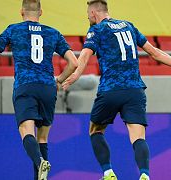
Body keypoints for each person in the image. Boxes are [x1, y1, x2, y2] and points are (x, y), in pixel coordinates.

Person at [0, 0, 78, 179]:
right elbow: (74, 63)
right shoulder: (53, 32)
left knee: (26, 132)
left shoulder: (13, 29)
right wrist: (59, 80)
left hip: (25, 86)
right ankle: (41, 171)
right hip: (47, 87)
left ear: (21, 12)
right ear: (41, 12)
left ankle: (40, 162)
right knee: (43, 139)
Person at [62, 0, 171, 180]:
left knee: (95, 130)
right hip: (134, 90)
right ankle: (144, 175)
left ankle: (108, 173)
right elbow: (155, 53)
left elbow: (84, 57)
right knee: (138, 136)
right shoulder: (129, 26)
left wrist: (74, 76)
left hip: (110, 90)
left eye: (88, 14)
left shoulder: (96, 30)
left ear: (94, 14)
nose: (88, 17)